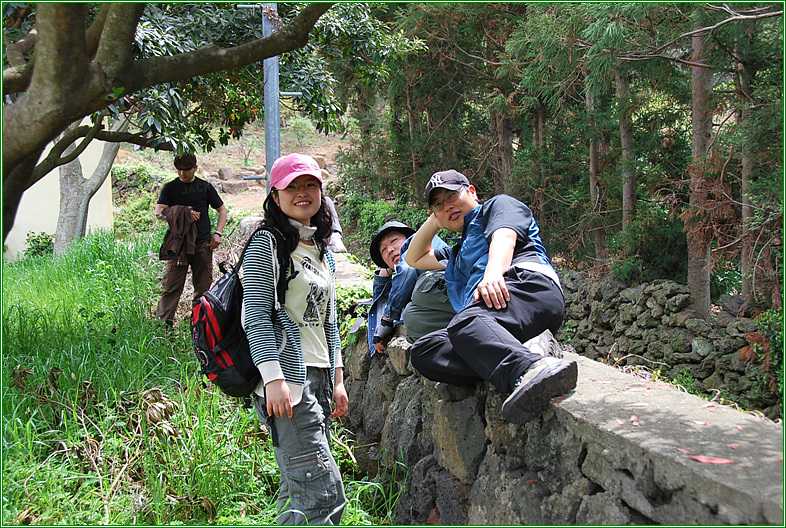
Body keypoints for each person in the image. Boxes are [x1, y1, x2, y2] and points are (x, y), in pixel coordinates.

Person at [405, 170, 577, 426]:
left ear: (472, 191)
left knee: (463, 322)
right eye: (438, 204)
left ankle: (531, 369)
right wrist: (436, 220)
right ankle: (525, 353)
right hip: (487, 320)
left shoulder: (498, 206)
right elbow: (413, 258)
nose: (448, 205)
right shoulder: (456, 252)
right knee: (424, 351)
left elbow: (504, 236)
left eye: (452, 195)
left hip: (527, 289)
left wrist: (493, 273)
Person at [242, 153, 347, 525]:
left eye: (310, 185)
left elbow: (328, 320)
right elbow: (255, 316)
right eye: (293, 186)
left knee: (298, 491)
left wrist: (337, 379)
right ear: (275, 195)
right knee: (323, 497)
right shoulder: (267, 244)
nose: (302, 193)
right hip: (288, 381)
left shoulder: (320, 251)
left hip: (318, 380)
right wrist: (273, 378)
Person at [154, 153, 227, 325]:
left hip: (202, 243)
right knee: (171, 286)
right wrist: (183, 213)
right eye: (179, 170)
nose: (182, 174)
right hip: (177, 244)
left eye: (186, 170)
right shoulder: (170, 188)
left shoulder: (205, 187)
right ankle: (163, 326)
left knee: (202, 288)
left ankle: (199, 325)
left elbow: (222, 210)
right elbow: (159, 212)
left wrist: (218, 233)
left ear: (195, 168)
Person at [367, 221, 454, 355]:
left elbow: (408, 268)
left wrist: (387, 319)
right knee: (410, 315)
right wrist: (385, 271)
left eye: (394, 241)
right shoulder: (408, 284)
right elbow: (382, 297)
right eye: (383, 250)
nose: (389, 250)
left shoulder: (417, 244)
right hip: (453, 306)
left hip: (457, 288)